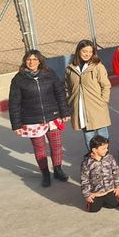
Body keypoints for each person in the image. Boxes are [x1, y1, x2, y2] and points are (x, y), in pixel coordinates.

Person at [8, 50, 71, 187]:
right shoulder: (18, 79)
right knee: (40, 150)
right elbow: (14, 103)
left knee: (56, 146)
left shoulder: (49, 74)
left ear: (40, 61)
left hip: (52, 117)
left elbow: (60, 93)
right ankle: (45, 174)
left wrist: (64, 112)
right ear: (24, 61)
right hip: (32, 121)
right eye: (29, 60)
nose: (32, 62)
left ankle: (58, 170)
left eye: (35, 59)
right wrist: (16, 124)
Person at [65, 40, 112, 151]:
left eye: (90, 52)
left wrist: (103, 101)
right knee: (88, 136)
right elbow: (67, 88)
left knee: (102, 135)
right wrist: (70, 102)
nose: (87, 54)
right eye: (84, 51)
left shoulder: (97, 67)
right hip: (80, 109)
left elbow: (106, 85)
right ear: (78, 51)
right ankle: (93, 157)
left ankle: (105, 157)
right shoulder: (70, 69)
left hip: (97, 107)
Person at [80, 134, 119, 212]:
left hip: (109, 189)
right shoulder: (87, 163)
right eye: (103, 148)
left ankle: (106, 200)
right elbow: (84, 179)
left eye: (107, 148)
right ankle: (97, 202)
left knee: (114, 204)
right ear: (94, 150)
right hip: (96, 193)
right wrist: (87, 194)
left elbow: (116, 172)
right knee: (93, 209)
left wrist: (118, 187)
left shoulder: (109, 158)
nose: (106, 150)